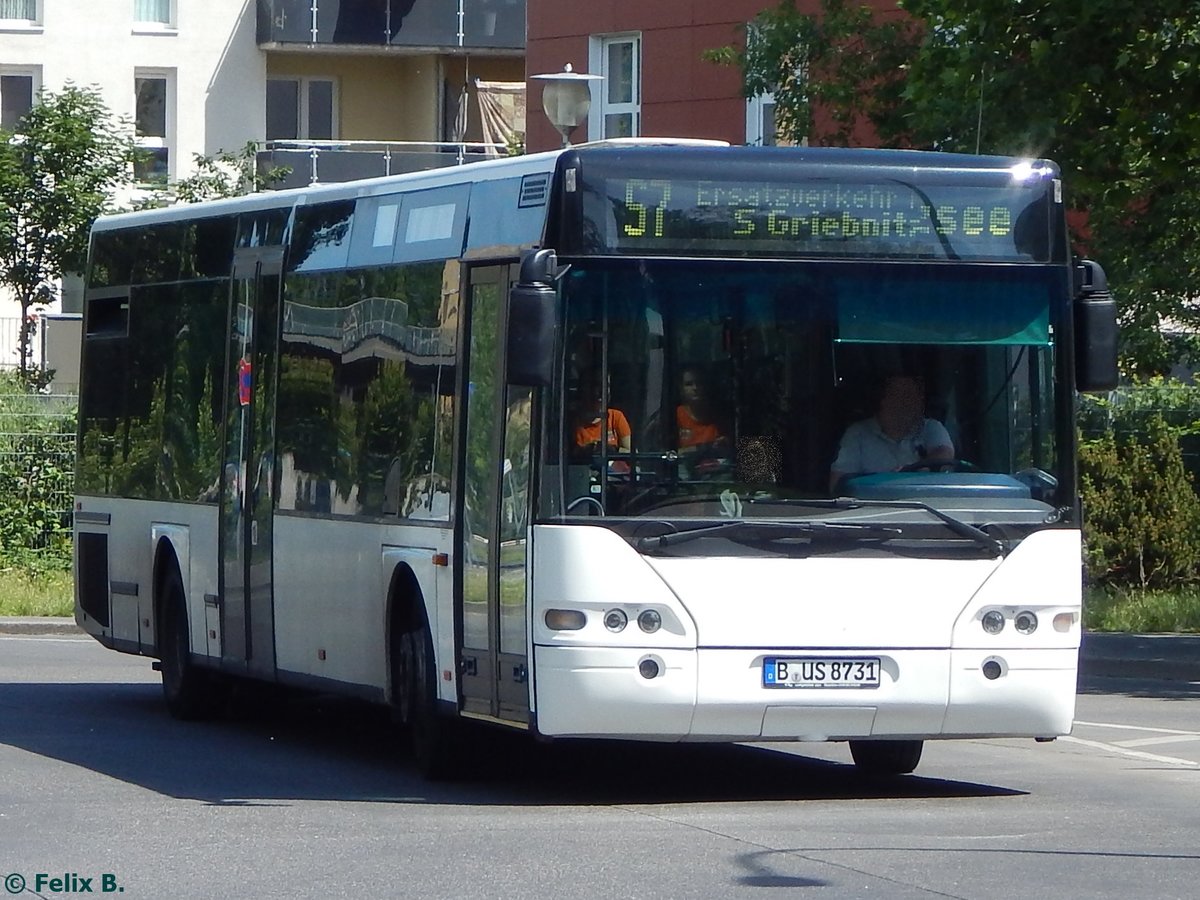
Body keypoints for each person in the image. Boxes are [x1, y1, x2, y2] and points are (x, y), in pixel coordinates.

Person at [829, 374, 954, 492]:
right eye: (902, 395)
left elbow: (944, 455)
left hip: (929, 506)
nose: (910, 402)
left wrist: (911, 471)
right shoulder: (857, 434)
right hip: (874, 509)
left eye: (914, 396)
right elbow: (837, 484)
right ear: (882, 400)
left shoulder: (931, 427)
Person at [573, 376, 632, 454]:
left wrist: (612, 450)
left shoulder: (616, 417)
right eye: (595, 385)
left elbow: (631, 453)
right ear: (583, 389)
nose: (601, 391)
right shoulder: (571, 421)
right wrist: (588, 450)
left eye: (606, 386)